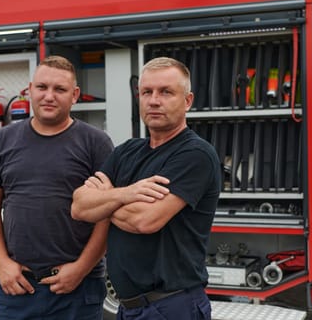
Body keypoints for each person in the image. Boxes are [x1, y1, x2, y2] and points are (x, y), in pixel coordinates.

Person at [72, 57, 221, 320]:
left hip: (172, 306)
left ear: (187, 101)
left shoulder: (195, 154)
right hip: (128, 307)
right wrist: (125, 194)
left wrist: (104, 200)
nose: (154, 100)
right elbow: (79, 206)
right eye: (146, 92)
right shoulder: (127, 151)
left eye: (166, 92)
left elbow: (145, 220)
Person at [0, 55, 114, 320]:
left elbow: (108, 214)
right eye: (42, 87)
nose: (49, 96)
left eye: (59, 89)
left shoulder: (96, 143)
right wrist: (1, 264)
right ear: (30, 90)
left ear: (74, 95)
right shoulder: (3, 140)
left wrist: (81, 268)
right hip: (18, 287)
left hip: (77, 289)